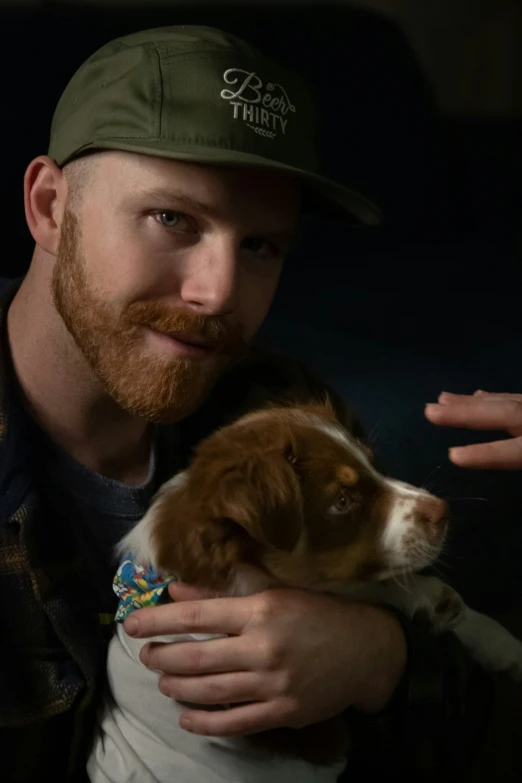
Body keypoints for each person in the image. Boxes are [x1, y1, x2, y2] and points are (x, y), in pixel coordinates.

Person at [0, 22, 518, 783]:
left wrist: (383, 664)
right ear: (50, 205)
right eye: (172, 218)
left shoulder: (283, 412)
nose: (216, 293)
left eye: (261, 246)